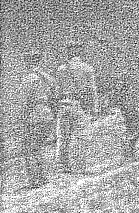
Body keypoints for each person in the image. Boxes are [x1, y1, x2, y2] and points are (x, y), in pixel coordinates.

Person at [17, 52, 60, 189]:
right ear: (39, 61)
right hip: (47, 114)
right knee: (39, 148)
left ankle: (35, 180)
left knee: (29, 149)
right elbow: (55, 98)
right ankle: (42, 177)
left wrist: (21, 119)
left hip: (34, 116)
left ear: (27, 62)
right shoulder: (48, 78)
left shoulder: (28, 79)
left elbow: (24, 102)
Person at [56, 43, 100, 173]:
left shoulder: (61, 69)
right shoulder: (87, 69)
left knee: (63, 136)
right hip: (79, 105)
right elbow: (92, 91)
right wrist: (95, 109)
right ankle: (79, 166)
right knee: (81, 136)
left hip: (64, 104)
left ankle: (63, 166)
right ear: (80, 53)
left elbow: (57, 91)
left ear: (68, 54)